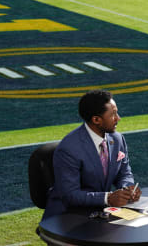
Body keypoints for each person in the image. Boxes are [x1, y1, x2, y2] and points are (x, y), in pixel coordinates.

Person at [43, 90, 140, 219]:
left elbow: (124, 172)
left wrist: (127, 190)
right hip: (67, 215)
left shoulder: (117, 139)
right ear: (96, 120)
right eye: (113, 114)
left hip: (99, 211)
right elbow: (70, 195)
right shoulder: (69, 148)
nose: (118, 118)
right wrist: (108, 198)